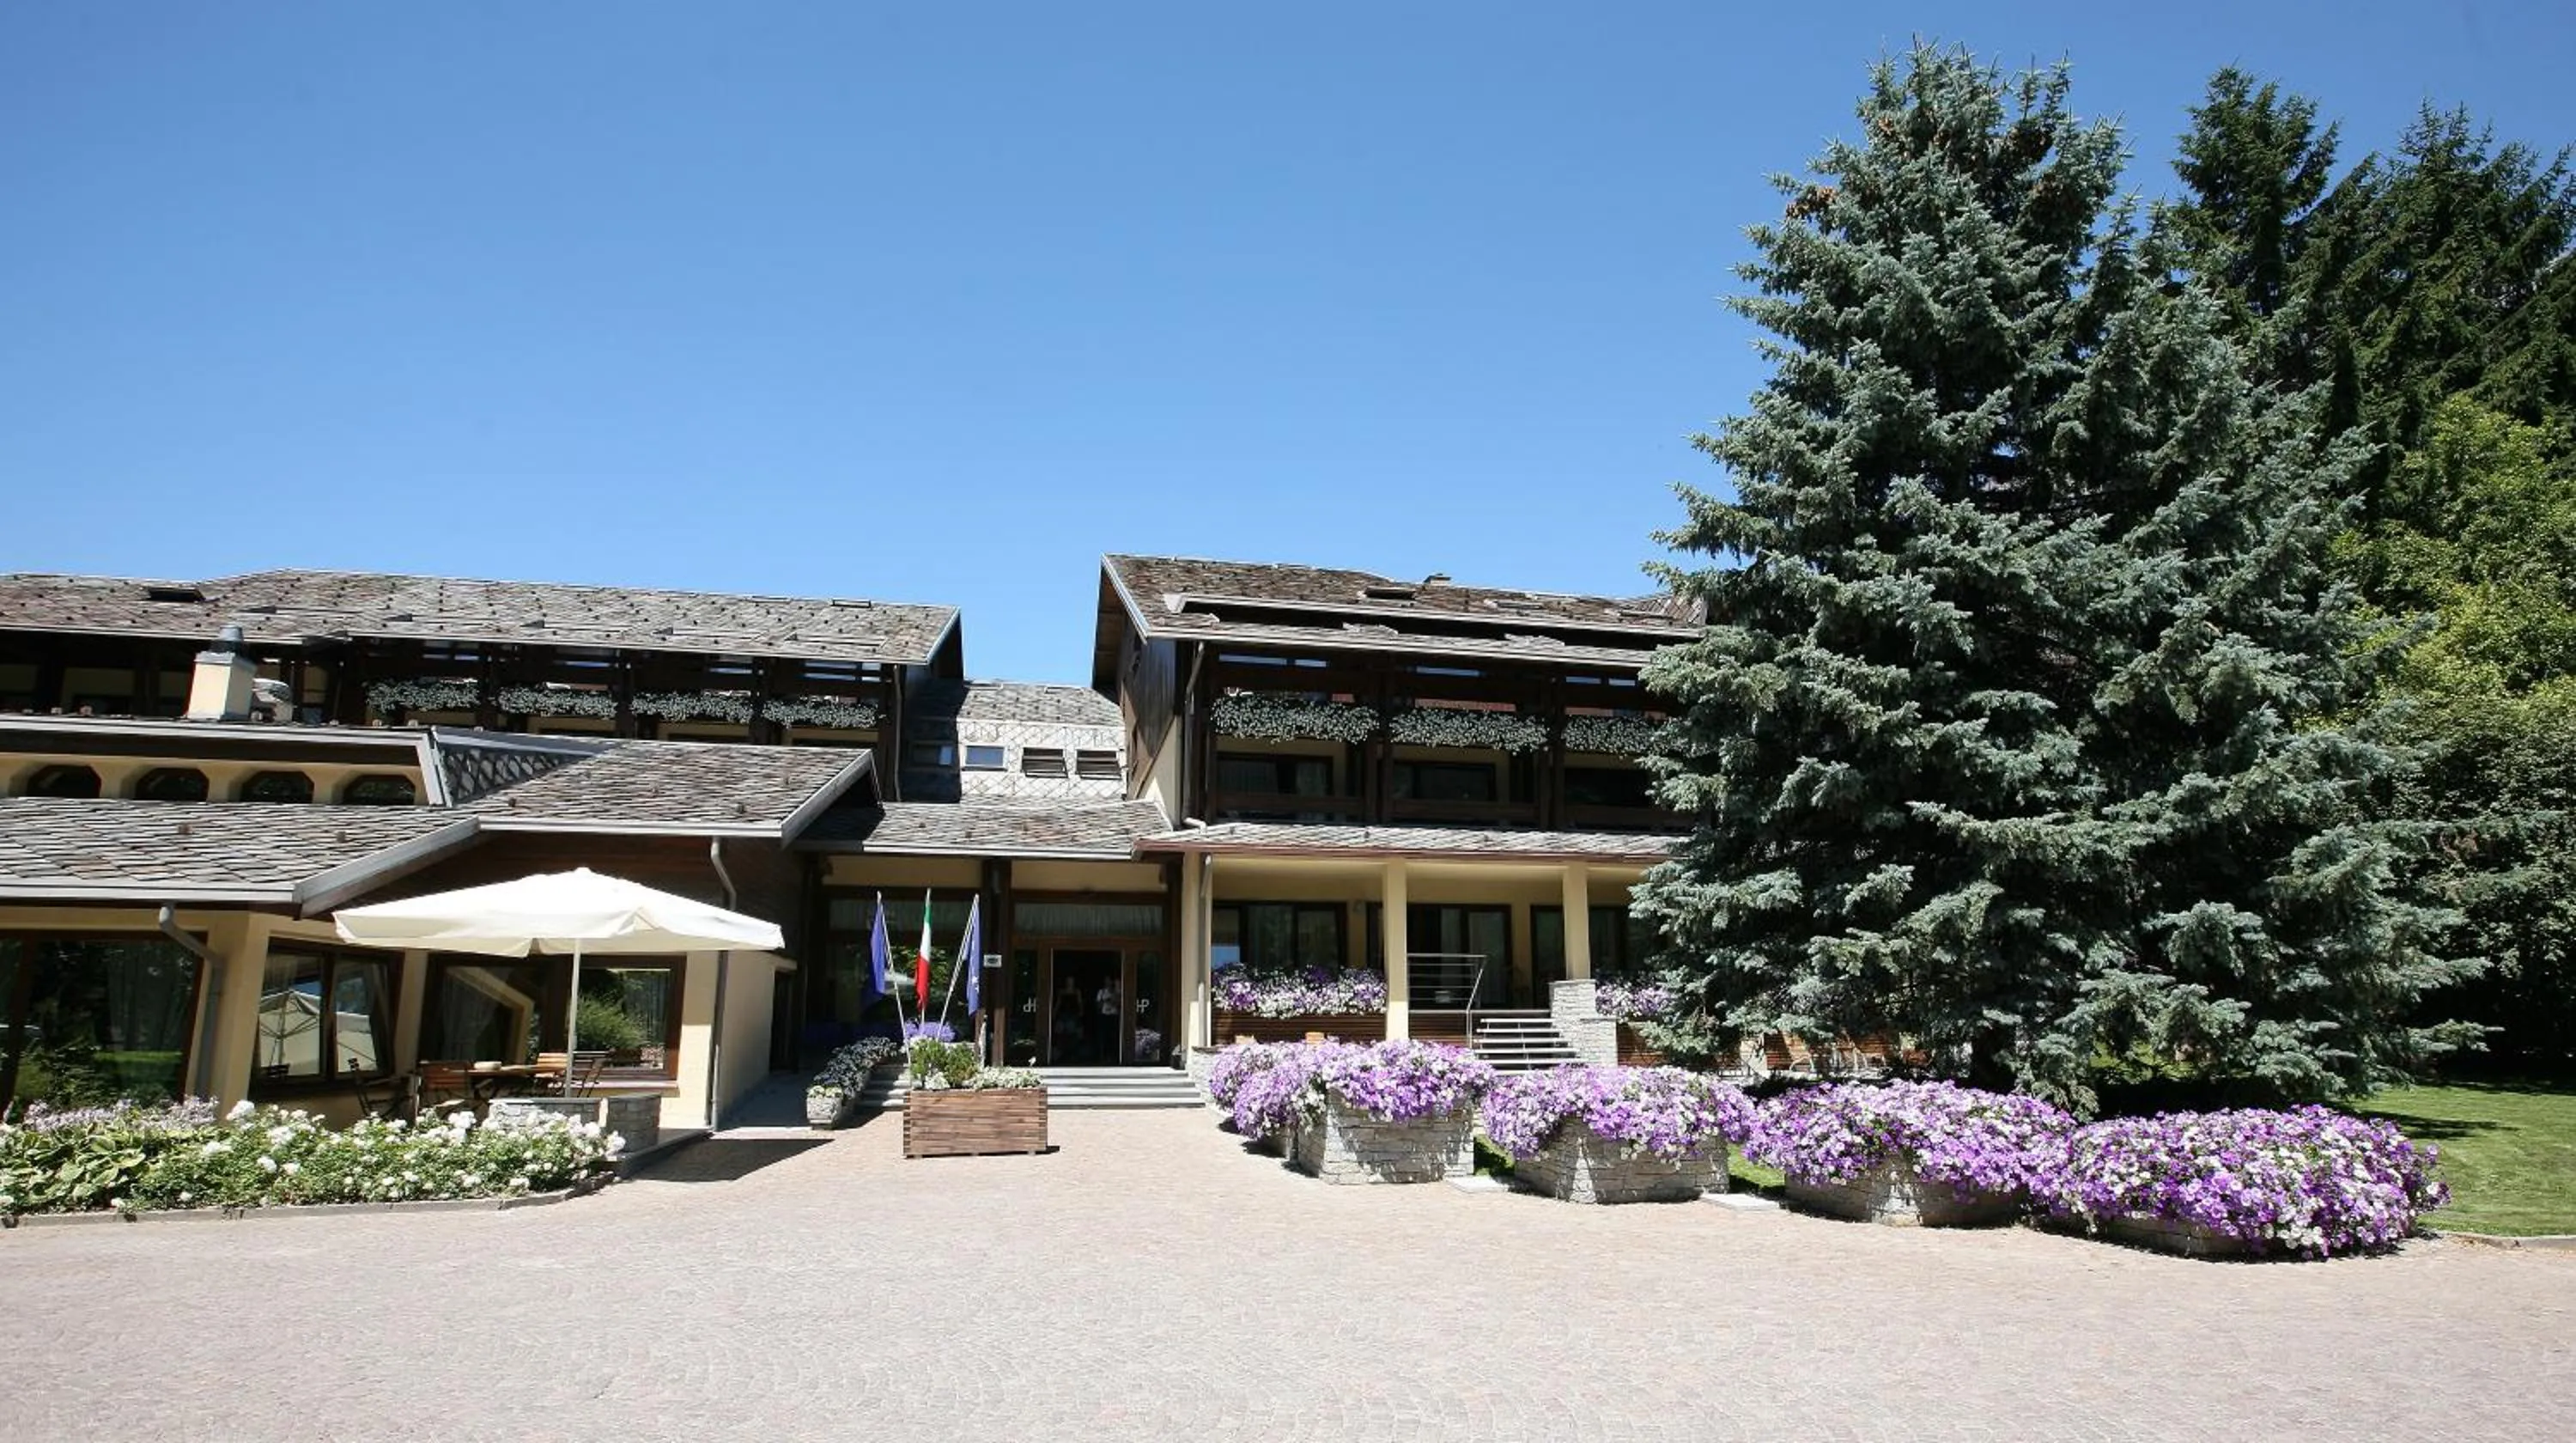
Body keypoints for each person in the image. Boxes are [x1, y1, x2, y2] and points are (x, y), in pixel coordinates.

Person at [1093, 974, 1121, 1063]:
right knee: (1104, 1037)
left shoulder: (1116, 991)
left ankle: (1114, 1056)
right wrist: (1105, 1001)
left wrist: (1112, 999)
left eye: (1109, 980)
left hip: (1114, 1016)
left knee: (1114, 1037)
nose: (1107, 982)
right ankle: (1103, 1056)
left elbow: (1118, 1003)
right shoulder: (1101, 992)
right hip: (1104, 1016)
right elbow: (1098, 1005)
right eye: (1106, 980)